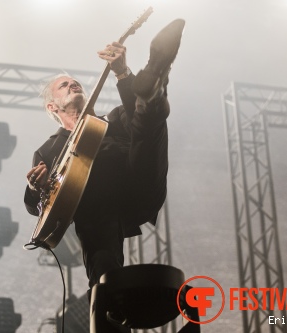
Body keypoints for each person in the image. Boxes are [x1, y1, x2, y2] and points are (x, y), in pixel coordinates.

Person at [24, 19, 185, 289]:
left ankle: (153, 82)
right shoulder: (48, 150)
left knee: (148, 122)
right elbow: (35, 208)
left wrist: (122, 74)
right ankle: (106, 297)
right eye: (64, 86)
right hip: (97, 213)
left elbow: (144, 133)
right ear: (52, 106)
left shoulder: (115, 119)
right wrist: (36, 188)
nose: (73, 85)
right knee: (102, 267)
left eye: (75, 83)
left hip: (138, 184)